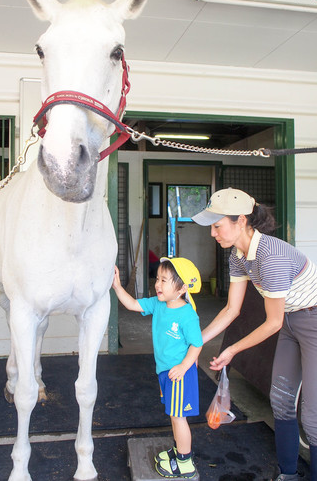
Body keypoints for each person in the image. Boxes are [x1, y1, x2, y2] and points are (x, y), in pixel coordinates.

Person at [192, 187, 317, 481]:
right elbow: (231, 309)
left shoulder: (270, 255)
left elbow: (270, 322)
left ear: (242, 221)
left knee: (312, 418)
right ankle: (288, 474)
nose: (213, 233)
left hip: (312, 321)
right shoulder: (239, 255)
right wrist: (196, 342)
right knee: (282, 401)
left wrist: (232, 350)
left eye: (218, 225)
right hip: (288, 322)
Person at [112, 257, 203, 480]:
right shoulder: (158, 304)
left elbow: (197, 344)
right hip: (165, 372)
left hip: (179, 374)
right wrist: (117, 286)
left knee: (178, 417)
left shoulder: (187, 314)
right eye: (157, 279)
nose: (157, 284)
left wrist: (183, 366)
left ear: (181, 288)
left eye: (164, 280)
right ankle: (178, 450)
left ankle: (185, 463)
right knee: (174, 415)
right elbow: (133, 304)